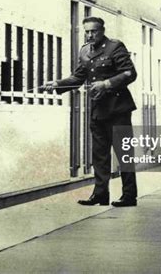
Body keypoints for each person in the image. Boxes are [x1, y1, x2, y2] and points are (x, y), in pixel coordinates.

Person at [45, 16, 138, 207]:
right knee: (99, 155)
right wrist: (57, 84)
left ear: (102, 31)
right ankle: (100, 195)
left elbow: (129, 73)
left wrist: (107, 83)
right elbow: (78, 77)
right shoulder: (85, 51)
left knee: (124, 154)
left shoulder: (115, 47)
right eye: (86, 31)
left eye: (93, 31)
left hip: (118, 109)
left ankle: (129, 196)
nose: (89, 35)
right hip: (97, 110)